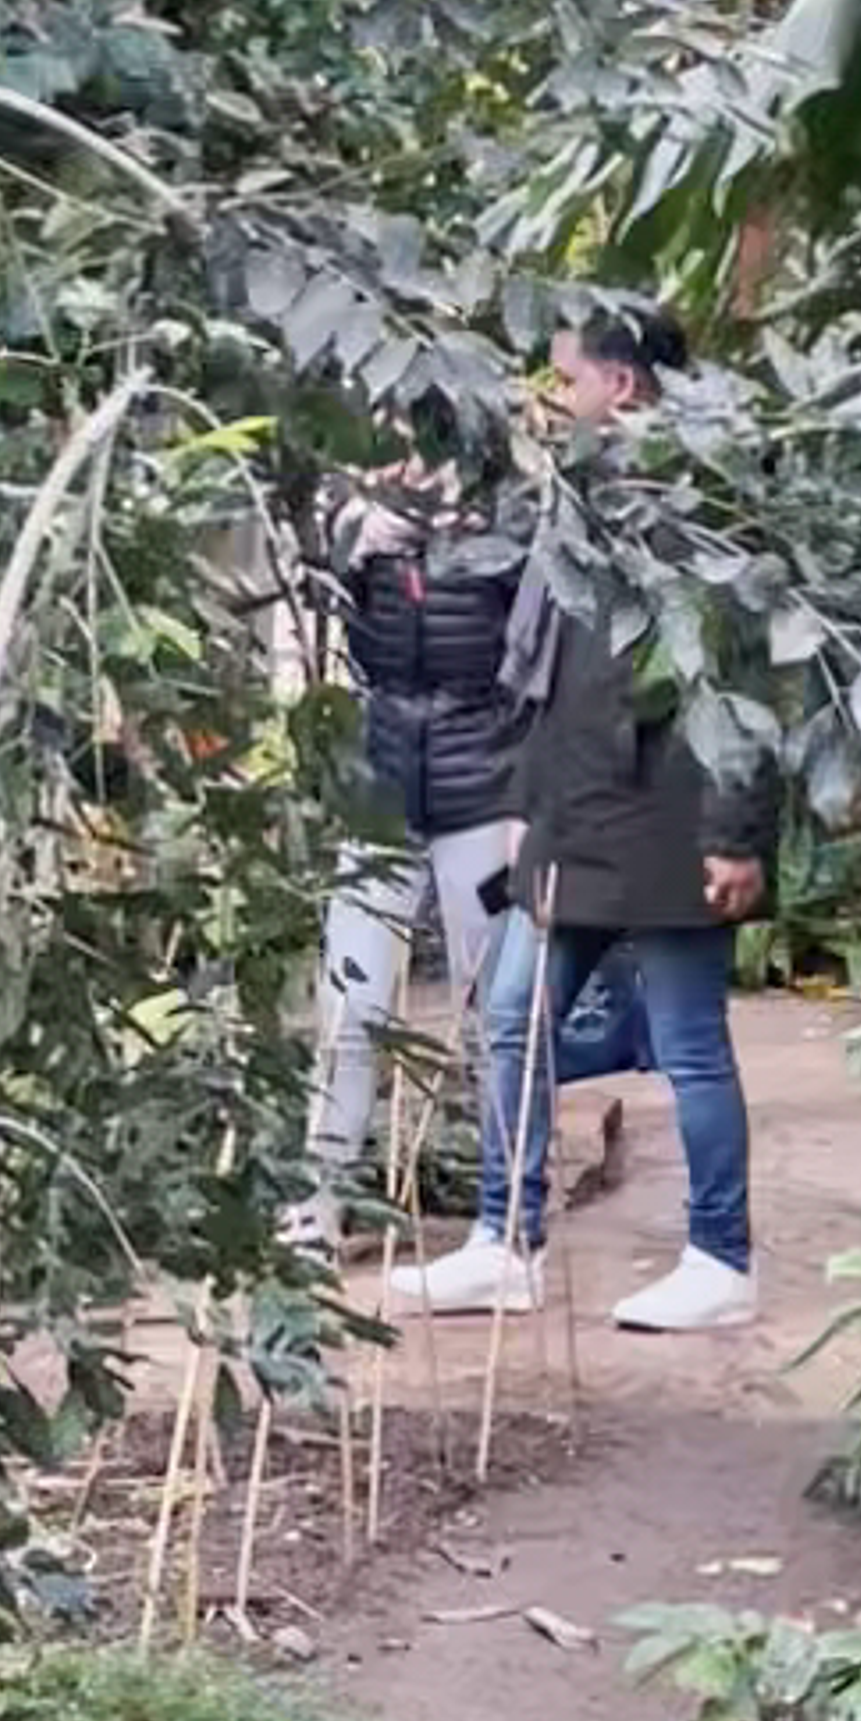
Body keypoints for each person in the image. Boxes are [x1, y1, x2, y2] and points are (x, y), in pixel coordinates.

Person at [391, 303, 768, 1331]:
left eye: (566, 380)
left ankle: (721, 1257)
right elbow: (545, 668)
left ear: (624, 386)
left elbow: (738, 673)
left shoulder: (699, 498)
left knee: (690, 1042)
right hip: (574, 813)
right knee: (511, 1015)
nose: (551, 400)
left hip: (673, 814)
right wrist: (523, 804)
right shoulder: (576, 494)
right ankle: (502, 1240)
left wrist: (736, 830)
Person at [296, 460, 532, 1211]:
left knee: (498, 1013)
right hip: (382, 792)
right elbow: (318, 595)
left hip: (485, 792)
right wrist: (353, 543)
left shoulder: (516, 520)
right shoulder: (359, 521)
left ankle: (507, 1212)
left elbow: (534, 664)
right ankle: (319, 1200)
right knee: (349, 1005)